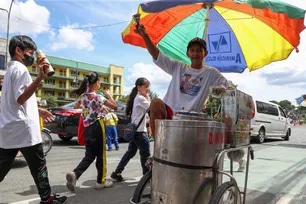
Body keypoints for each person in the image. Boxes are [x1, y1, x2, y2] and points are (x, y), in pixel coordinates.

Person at [0, 35, 67, 204]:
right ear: (18, 50)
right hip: (24, 130)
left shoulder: (10, 71)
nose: (32, 56)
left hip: (9, 129)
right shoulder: (21, 70)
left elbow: (14, 101)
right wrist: (39, 78)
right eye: (30, 52)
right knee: (39, 167)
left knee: (1, 167)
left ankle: (47, 198)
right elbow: (21, 99)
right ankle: (47, 199)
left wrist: (38, 110)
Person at [134, 24, 229, 137]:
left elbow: (227, 87)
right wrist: (145, 36)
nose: (195, 53)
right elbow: (156, 55)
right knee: (155, 102)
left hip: (192, 119)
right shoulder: (178, 67)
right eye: (192, 50)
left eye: (199, 50)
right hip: (169, 114)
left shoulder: (211, 73)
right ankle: (158, 141)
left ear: (205, 53)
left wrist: (219, 90)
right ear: (187, 53)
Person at [65, 73, 118, 191]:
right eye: (99, 82)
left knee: (90, 155)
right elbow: (115, 107)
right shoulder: (98, 97)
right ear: (96, 83)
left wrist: (94, 108)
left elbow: (75, 106)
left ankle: (76, 174)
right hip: (98, 127)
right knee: (101, 156)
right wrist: (109, 96)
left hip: (87, 128)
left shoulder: (83, 96)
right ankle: (101, 181)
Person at [111, 77, 151, 181]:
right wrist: (147, 96)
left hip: (135, 132)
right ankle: (146, 178)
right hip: (140, 132)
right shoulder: (141, 98)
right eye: (146, 87)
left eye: (148, 87)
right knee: (146, 155)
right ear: (139, 87)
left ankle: (117, 172)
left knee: (130, 153)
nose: (148, 89)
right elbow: (151, 108)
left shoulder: (136, 98)